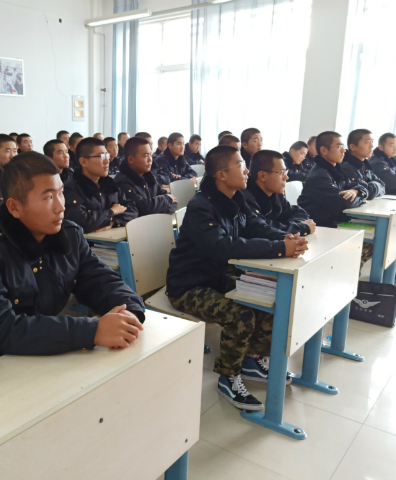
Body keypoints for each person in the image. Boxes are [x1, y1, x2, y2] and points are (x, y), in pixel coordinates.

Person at [0, 153, 145, 360]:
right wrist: (91, 331)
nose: (61, 207)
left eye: (61, 193)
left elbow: (100, 280)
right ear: (14, 207)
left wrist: (129, 312)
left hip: (48, 349)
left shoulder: (69, 234)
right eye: (48, 197)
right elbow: (0, 329)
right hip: (0, 362)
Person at [167, 145, 307, 410]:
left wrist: (286, 238)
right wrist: (279, 248)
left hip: (220, 278)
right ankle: (228, 377)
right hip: (189, 286)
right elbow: (224, 247)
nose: (246, 171)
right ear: (221, 174)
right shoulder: (201, 206)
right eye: (240, 165)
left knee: (267, 297)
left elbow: (256, 226)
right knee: (240, 315)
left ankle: (252, 359)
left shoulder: (236, 198)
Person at [64, 137, 138, 233]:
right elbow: (82, 221)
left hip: (112, 238)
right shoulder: (71, 188)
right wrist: (112, 212)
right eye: (101, 156)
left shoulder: (109, 184)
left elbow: (133, 209)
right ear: (83, 162)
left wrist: (114, 222)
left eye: (107, 155)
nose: (107, 161)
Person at [298, 131, 368, 228]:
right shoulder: (319, 176)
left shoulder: (336, 171)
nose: (344, 151)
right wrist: (362, 198)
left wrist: (355, 191)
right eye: (339, 147)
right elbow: (343, 203)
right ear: (324, 150)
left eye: (343, 146)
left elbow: (361, 187)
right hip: (320, 227)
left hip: (335, 221)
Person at [244, 149, 315, 236]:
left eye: (286, 172)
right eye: (282, 173)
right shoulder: (245, 198)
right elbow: (262, 229)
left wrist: (290, 226)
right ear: (262, 176)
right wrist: (300, 228)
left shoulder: (275, 193)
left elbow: (298, 212)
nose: (286, 178)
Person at [114, 137, 178, 216]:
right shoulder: (122, 182)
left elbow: (174, 201)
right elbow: (141, 208)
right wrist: (166, 200)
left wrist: (159, 214)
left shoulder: (149, 177)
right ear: (131, 159)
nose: (150, 160)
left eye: (150, 155)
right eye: (145, 156)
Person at [342, 129, 385, 202]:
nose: (372, 146)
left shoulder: (365, 165)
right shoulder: (346, 166)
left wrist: (371, 186)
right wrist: (373, 186)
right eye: (367, 142)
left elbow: (382, 186)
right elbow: (364, 192)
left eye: (372, 142)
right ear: (353, 147)